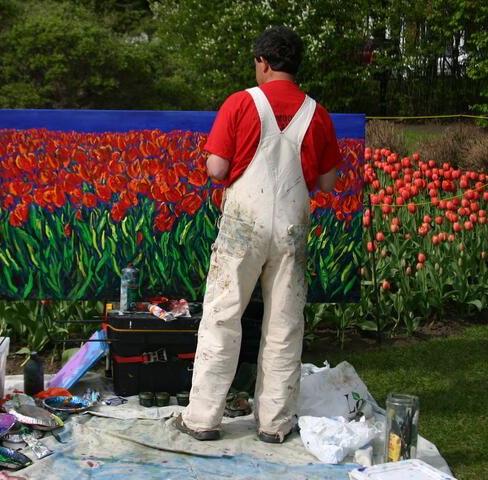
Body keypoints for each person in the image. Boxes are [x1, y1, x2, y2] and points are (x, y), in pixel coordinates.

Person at [174, 26, 340, 443]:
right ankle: (275, 424)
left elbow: (216, 169)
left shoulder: (240, 103)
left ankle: (203, 419)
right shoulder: (316, 113)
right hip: (290, 229)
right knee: (284, 323)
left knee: (222, 316)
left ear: (262, 62)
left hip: (242, 229)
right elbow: (328, 181)